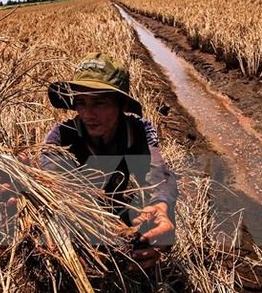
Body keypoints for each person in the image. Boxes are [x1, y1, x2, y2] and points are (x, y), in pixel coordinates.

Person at [44, 52, 178, 270]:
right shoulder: (61, 136)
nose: (88, 114)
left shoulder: (138, 131)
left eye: (99, 103)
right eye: (81, 102)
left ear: (121, 105)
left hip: (117, 208)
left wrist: (160, 208)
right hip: (79, 212)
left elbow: (160, 174)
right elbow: (53, 185)